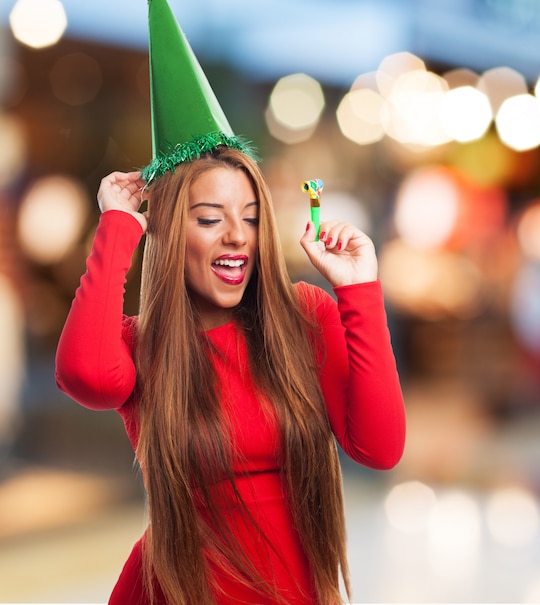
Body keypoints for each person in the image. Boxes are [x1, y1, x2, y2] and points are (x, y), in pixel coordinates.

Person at [55, 1, 405, 604]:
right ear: (167, 231)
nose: (236, 235)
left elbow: (380, 446)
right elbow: (84, 373)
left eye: (249, 217)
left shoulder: (302, 318)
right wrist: (118, 226)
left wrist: (358, 292)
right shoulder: (144, 346)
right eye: (210, 218)